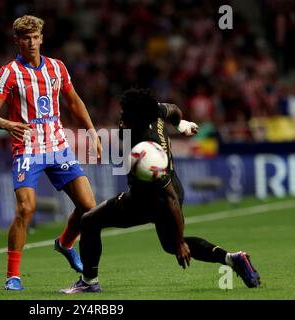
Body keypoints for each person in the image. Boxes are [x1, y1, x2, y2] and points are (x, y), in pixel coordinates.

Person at [60, 88, 261, 294]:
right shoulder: (153, 111)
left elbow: (170, 197)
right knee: (170, 245)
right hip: (165, 190)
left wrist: (181, 240)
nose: (121, 116)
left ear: (137, 120)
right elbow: (173, 109)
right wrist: (181, 124)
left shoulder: (148, 151)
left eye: (125, 115)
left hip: (152, 197)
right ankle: (232, 259)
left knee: (89, 221)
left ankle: (89, 282)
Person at [0, 15, 102, 291]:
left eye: (36, 37)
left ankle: (66, 244)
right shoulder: (9, 72)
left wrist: (92, 131)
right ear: (17, 41)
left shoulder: (57, 68)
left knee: (89, 208)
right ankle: (13, 276)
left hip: (58, 147)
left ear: (42, 38)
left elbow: (73, 101)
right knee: (26, 208)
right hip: (28, 149)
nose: (32, 42)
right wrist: (6, 124)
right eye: (26, 38)